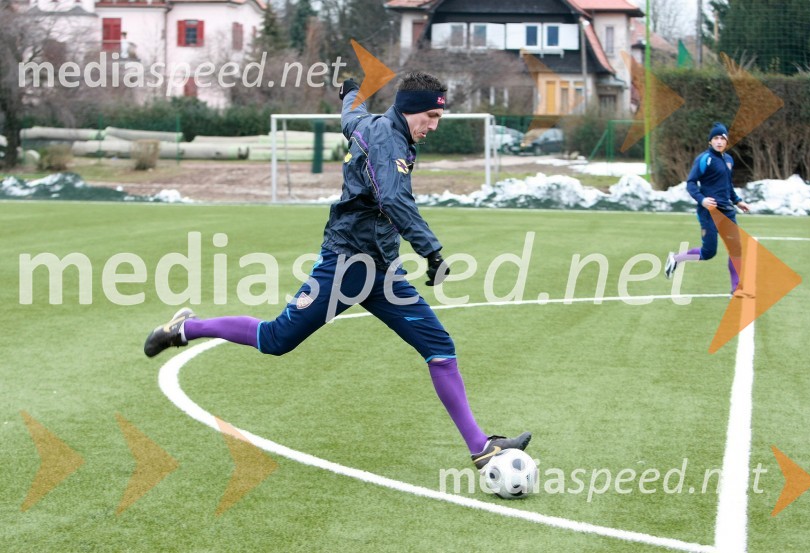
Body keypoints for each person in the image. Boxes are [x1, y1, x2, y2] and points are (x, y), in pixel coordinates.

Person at [144, 71, 531, 470]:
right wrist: (430, 250)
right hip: (346, 263)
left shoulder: (370, 124)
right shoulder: (387, 142)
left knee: (439, 348)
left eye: (438, 119)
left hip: (382, 268)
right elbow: (393, 198)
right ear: (411, 110)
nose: (433, 127)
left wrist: (350, 92)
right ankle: (185, 329)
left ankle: (481, 447)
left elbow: (351, 117)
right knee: (276, 338)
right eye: (430, 118)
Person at [664, 122, 750, 295]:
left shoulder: (728, 160)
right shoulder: (704, 159)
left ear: (726, 141)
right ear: (710, 142)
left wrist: (737, 201)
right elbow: (691, 183)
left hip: (727, 211)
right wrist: (702, 200)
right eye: (715, 138)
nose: (719, 141)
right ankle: (677, 258)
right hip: (708, 212)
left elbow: (727, 185)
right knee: (709, 252)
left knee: (736, 249)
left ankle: (736, 288)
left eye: (722, 138)